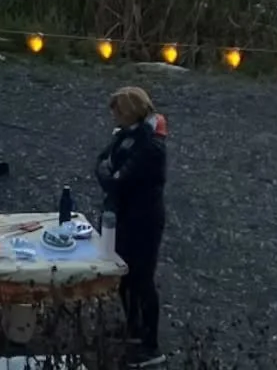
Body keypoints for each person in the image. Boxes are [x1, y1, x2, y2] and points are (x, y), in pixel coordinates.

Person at [96, 86, 167, 366]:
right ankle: (133, 327)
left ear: (130, 112)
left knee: (142, 279)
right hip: (125, 214)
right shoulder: (126, 136)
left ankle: (151, 345)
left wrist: (109, 175)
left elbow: (116, 178)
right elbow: (102, 163)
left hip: (144, 219)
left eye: (118, 112)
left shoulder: (151, 146)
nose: (114, 118)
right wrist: (109, 174)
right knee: (124, 275)